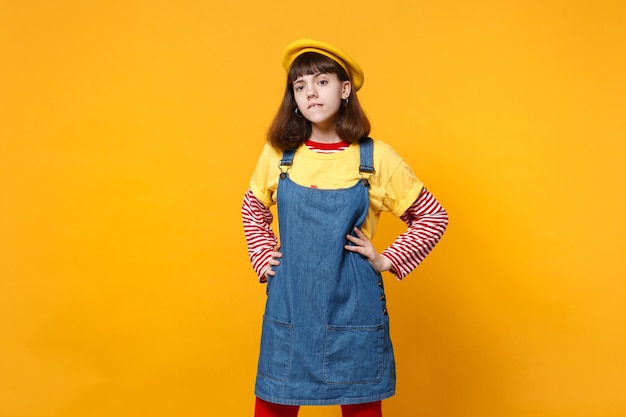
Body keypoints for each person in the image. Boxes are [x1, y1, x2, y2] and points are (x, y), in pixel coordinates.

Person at [242, 39, 449, 417]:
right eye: (300, 86)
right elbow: (253, 208)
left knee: (361, 410)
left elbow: (433, 216)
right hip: (290, 306)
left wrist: (387, 259)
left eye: (321, 82)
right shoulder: (279, 155)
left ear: (345, 88)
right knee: (272, 405)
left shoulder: (376, 158)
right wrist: (262, 256)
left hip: (353, 307)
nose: (310, 93)